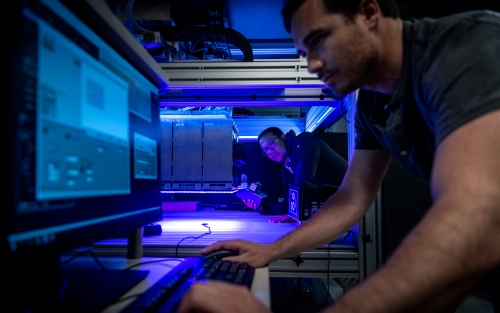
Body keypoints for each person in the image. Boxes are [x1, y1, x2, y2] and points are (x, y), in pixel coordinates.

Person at [178, 0, 500, 312]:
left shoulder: (463, 49)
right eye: (305, 53)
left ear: (368, 12)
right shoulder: (373, 106)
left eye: (319, 40)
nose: (312, 64)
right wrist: (272, 250)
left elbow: (477, 216)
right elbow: (351, 196)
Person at [243, 126, 348, 223]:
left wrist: (296, 214)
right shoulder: (286, 169)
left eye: (271, 144)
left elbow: (304, 179)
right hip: (337, 209)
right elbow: (290, 203)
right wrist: (264, 208)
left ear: (283, 137)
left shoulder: (304, 141)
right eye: (265, 150)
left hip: (353, 198)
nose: (270, 151)